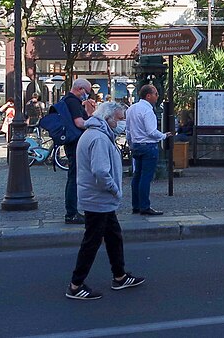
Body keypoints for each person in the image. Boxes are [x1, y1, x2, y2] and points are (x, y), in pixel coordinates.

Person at [66, 101, 144, 300]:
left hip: (99, 198)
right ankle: (76, 285)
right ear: (108, 118)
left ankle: (119, 276)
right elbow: (100, 171)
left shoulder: (96, 134)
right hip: (98, 197)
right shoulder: (99, 138)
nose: (122, 123)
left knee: (113, 236)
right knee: (92, 241)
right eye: (119, 119)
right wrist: (114, 189)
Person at [126, 84, 170, 217]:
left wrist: (130, 142)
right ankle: (145, 206)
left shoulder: (132, 109)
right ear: (148, 95)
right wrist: (164, 135)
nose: (157, 96)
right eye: (156, 93)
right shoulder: (148, 111)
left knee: (137, 176)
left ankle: (136, 205)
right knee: (146, 177)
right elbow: (151, 132)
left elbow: (128, 129)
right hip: (148, 146)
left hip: (137, 145)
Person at [62, 79, 93, 224]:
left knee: (74, 177)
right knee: (74, 178)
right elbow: (79, 122)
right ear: (80, 89)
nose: (86, 95)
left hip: (72, 143)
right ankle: (72, 213)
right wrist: (94, 124)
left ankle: (72, 211)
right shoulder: (73, 101)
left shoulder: (68, 100)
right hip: (75, 144)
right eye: (86, 92)